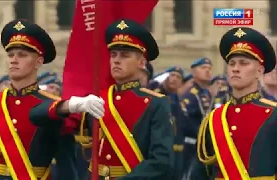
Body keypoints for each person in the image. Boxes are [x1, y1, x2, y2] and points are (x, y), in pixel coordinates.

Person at [0, 19, 105, 180]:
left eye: (22, 55)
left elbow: (66, 163)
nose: (14, 59)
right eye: (10, 54)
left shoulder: (55, 107)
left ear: (38, 62)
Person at [82, 19, 174, 180]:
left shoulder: (156, 103)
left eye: (125, 55)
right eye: (113, 55)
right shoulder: (98, 99)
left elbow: (161, 161)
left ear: (141, 62)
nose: (116, 60)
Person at [193, 27, 277, 179]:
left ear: (259, 70)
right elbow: (201, 172)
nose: (235, 69)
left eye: (243, 63)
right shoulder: (213, 119)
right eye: (232, 64)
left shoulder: (274, 114)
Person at [180, 58, 212, 178]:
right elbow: (184, 118)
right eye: (203, 68)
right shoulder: (190, 93)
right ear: (193, 72)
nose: (208, 71)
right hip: (190, 143)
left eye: (209, 69)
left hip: (200, 145)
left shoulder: (204, 93)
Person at [152, 66, 186, 180]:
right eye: (172, 75)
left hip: (178, 149)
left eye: (178, 77)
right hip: (162, 149)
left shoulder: (178, 99)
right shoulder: (157, 94)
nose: (174, 79)